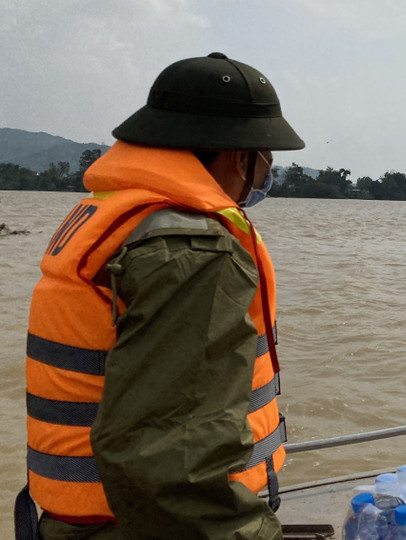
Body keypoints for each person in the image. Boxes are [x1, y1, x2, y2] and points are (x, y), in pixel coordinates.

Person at [19, 52, 304, 539]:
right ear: (239, 157)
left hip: (84, 519)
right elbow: (173, 468)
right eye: (265, 162)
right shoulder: (192, 251)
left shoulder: (115, 215)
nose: (263, 179)